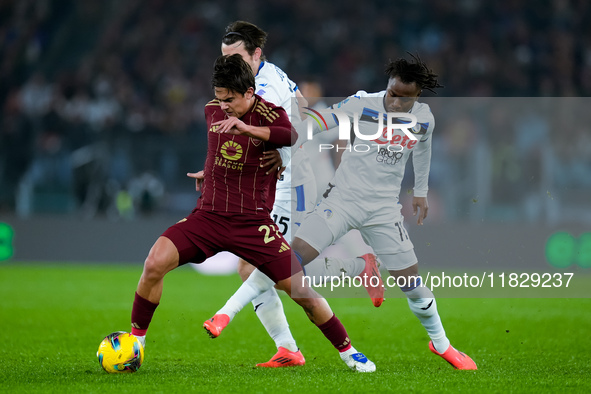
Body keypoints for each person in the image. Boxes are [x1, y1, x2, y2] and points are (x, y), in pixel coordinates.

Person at [207, 53, 477, 370]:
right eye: (392, 93)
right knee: (286, 260)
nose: (395, 102)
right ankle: (225, 314)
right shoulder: (364, 102)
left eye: (404, 99)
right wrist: (287, 139)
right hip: (342, 200)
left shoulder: (424, 119)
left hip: (384, 211)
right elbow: (324, 120)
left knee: (412, 284)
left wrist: (419, 192)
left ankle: (441, 344)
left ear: (417, 97)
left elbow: (424, 150)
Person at [130, 54, 376, 373]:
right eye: (219, 98)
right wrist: (209, 172)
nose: (224, 106)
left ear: (249, 93)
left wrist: (250, 129)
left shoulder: (273, 117)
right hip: (209, 217)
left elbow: (291, 136)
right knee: (154, 263)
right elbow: (219, 147)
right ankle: (136, 343)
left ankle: (349, 352)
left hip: (253, 225)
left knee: (300, 291)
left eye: (230, 99)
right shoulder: (212, 111)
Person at [191, 21, 383, 368]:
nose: (230, 65)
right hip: (268, 181)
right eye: (225, 58)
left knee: (268, 267)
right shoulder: (257, 80)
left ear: (256, 55)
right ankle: (289, 347)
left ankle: (228, 316)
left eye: (236, 57)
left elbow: (287, 127)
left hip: (291, 184)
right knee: (257, 269)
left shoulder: (263, 86)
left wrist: (282, 148)